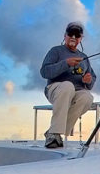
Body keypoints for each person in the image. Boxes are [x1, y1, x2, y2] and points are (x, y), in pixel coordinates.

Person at [39, 21, 96, 149]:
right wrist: (66, 63)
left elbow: (92, 79)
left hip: (77, 92)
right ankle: (54, 133)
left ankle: (53, 132)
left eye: (77, 35)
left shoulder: (84, 57)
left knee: (87, 97)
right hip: (55, 89)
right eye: (71, 34)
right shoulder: (55, 51)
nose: (73, 37)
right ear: (65, 35)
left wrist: (88, 80)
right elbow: (44, 72)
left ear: (81, 38)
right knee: (67, 86)